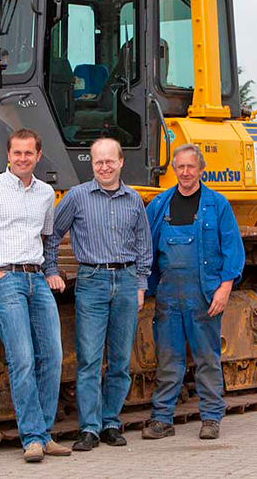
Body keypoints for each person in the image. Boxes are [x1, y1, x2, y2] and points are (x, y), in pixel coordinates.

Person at [0, 128, 71, 463]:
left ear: (39, 155)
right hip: (4, 278)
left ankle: (44, 433)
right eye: (17, 153)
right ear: (8, 155)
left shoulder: (45, 193)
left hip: (36, 280)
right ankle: (33, 438)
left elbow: (47, 238)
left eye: (29, 153)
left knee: (52, 356)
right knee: (21, 358)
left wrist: (50, 271)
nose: (23, 158)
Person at [44, 137, 152, 450]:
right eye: (98, 162)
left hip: (127, 281)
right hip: (92, 280)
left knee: (119, 359)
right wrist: (51, 269)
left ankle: (111, 424)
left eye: (109, 161)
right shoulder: (77, 197)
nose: (104, 167)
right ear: (91, 164)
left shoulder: (133, 199)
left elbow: (143, 244)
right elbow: (52, 235)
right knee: (90, 359)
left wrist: (141, 283)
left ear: (121, 162)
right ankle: (89, 428)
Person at [142, 143, 244, 440]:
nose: (185, 172)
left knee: (207, 357)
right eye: (180, 167)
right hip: (169, 296)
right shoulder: (160, 205)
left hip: (204, 295)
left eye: (191, 167)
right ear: (174, 169)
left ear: (201, 170)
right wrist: (141, 285)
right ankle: (162, 419)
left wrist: (224, 289)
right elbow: (144, 248)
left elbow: (233, 250)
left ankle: (211, 417)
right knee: (168, 357)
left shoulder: (217, 205)